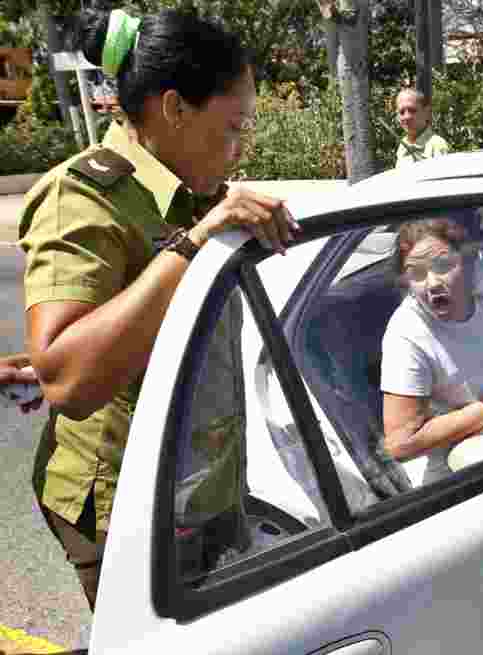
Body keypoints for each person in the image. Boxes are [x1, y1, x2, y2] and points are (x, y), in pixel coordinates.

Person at [18, 8, 298, 611]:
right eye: (232, 127)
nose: (240, 147)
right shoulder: (84, 196)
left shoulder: (194, 194)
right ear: (174, 109)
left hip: (200, 488)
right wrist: (194, 244)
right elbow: (67, 376)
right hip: (128, 510)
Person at [380, 218, 483, 486]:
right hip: (456, 466)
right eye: (417, 273)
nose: (432, 283)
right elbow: (400, 443)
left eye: (443, 266)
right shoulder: (406, 334)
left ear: (467, 263)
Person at [395, 88, 451, 167]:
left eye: (412, 110)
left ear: (426, 112)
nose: (407, 117)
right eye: (402, 112)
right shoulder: (403, 145)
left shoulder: (437, 145)